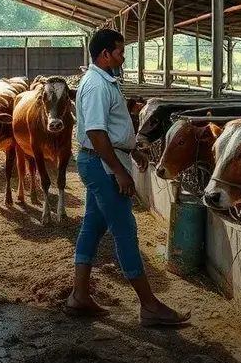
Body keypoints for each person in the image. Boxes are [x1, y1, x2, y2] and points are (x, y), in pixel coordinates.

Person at [66, 28, 190, 327]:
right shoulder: (97, 85)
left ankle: (79, 296)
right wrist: (120, 172)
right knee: (125, 230)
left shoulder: (104, 81)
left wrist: (131, 150)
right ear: (105, 54)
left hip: (104, 160)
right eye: (120, 52)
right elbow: (96, 132)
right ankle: (149, 305)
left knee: (93, 226)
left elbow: (110, 129)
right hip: (102, 165)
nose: (123, 57)